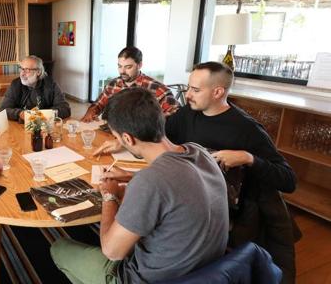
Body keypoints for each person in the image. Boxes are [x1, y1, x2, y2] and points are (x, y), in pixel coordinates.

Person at [51, 88, 229, 283]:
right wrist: (130, 175)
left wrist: (109, 196)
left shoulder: (150, 182)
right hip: (210, 271)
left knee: (58, 247)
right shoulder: (198, 151)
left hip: (152, 279)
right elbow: (177, 182)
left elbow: (112, 251)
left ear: (127, 139)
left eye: (117, 137)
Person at [164, 61, 298, 284]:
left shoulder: (247, 129)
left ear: (218, 92)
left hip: (231, 210)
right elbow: (163, 135)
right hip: (193, 196)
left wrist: (248, 158)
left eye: (195, 90)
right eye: (189, 88)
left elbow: (288, 180)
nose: (187, 95)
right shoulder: (189, 112)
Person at [81, 46, 179, 122]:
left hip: (141, 137)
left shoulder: (155, 88)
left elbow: (175, 113)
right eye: (119, 66)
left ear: (139, 65)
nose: (122, 71)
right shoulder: (113, 84)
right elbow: (98, 104)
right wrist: (92, 111)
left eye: (128, 67)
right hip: (114, 132)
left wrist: (151, 122)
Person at [0, 55, 71, 121]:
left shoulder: (51, 84)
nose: (22, 73)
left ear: (38, 72)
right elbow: (3, 110)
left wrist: (41, 114)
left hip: (45, 126)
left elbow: (65, 109)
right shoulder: (15, 84)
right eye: (21, 69)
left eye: (27, 70)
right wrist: (20, 114)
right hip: (20, 126)